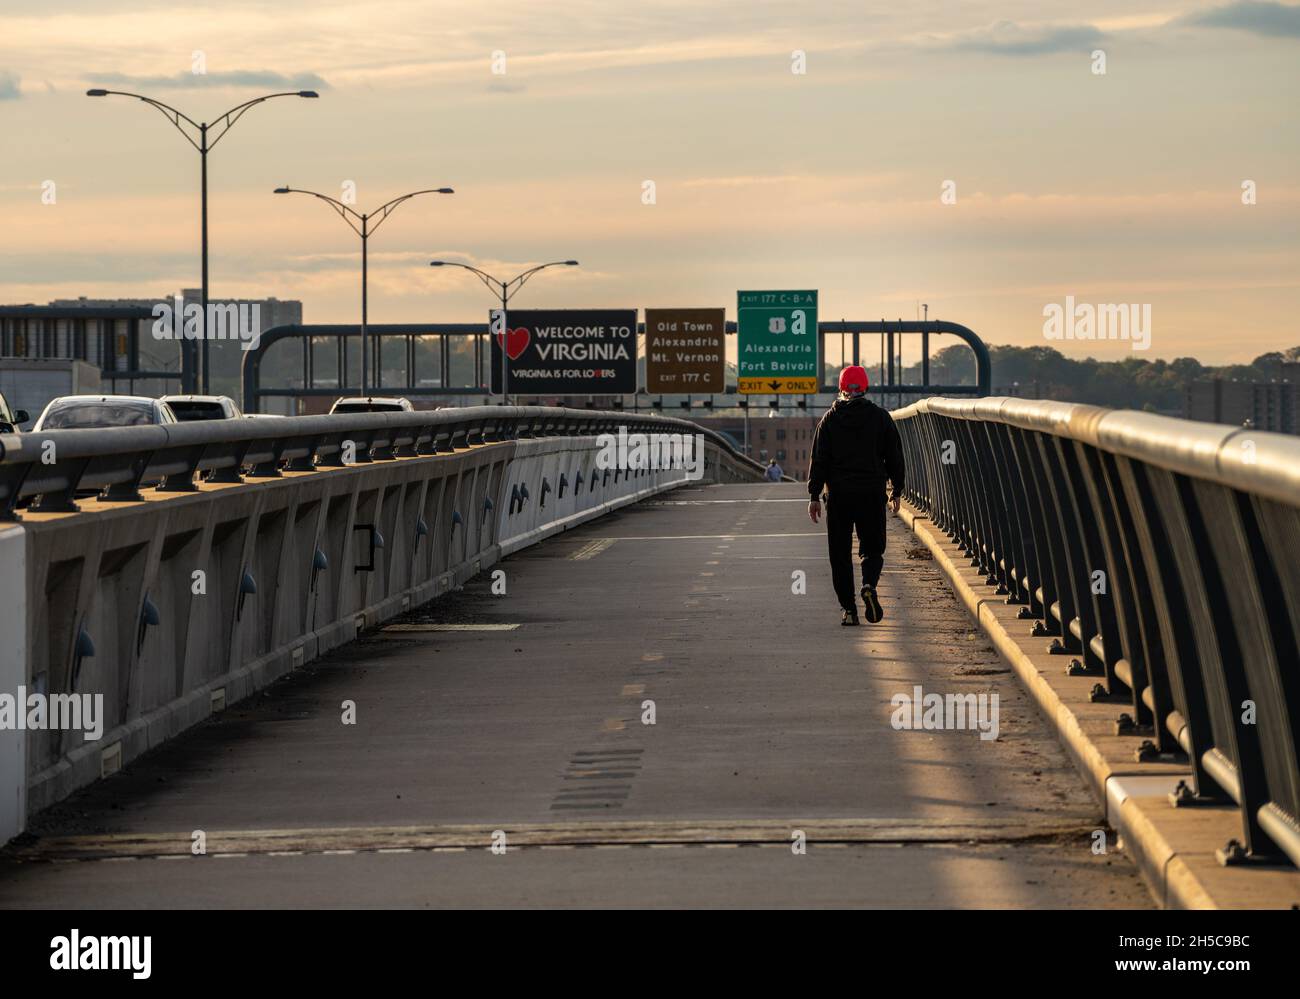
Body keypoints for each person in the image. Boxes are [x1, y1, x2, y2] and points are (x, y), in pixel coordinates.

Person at [806, 365, 905, 626]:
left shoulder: (828, 420)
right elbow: (894, 455)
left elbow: (819, 460)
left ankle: (849, 610)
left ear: (840, 388)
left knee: (839, 554)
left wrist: (814, 494)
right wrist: (897, 489)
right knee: (872, 549)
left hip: (839, 495)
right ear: (865, 388)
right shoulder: (881, 418)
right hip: (872, 493)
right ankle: (869, 584)